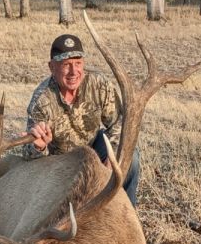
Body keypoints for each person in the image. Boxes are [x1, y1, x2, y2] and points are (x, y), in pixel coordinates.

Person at [22, 34, 140, 207]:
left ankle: (127, 211)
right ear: (52, 67)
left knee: (131, 157)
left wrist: (113, 156)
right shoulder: (41, 101)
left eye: (78, 63)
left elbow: (118, 123)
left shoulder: (98, 84)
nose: (73, 71)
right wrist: (38, 147)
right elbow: (27, 154)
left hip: (93, 147)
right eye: (66, 64)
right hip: (61, 162)